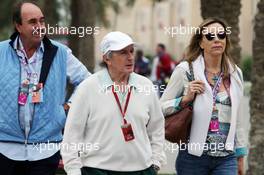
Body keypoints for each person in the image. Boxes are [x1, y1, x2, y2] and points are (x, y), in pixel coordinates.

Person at [0, 2, 90, 175]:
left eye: (42, 21)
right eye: (33, 22)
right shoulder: (1, 52)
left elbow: (87, 82)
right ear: (18, 26)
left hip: (45, 150)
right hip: (5, 148)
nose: (40, 27)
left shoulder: (60, 53)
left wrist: (68, 108)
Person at [61, 31, 166, 175]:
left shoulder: (146, 86)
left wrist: (155, 162)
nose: (130, 57)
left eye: (131, 51)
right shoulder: (87, 88)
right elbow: (72, 135)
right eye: (123, 53)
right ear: (107, 58)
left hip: (142, 169)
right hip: (97, 170)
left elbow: (157, 128)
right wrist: (73, 171)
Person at [160, 18, 247, 175]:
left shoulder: (235, 73)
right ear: (201, 43)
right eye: (210, 36)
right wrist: (184, 99)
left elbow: (239, 118)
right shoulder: (185, 70)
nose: (217, 40)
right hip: (193, 158)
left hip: (226, 158)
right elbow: (160, 108)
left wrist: (240, 155)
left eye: (221, 35)